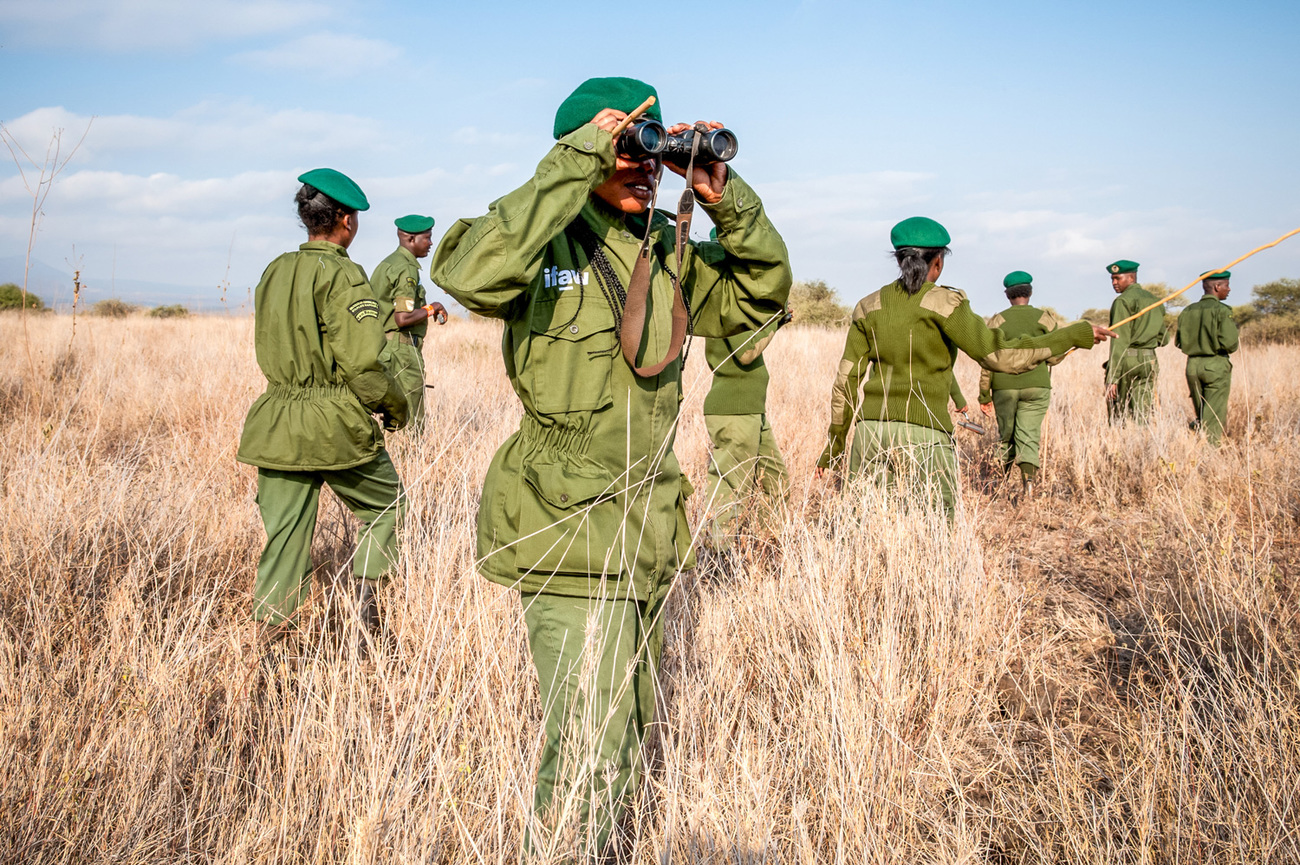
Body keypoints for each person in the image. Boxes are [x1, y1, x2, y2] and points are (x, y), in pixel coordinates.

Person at [429, 77, 791, 855]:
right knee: (589, 747)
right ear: (580, 150)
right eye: (626, 146)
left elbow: (762, 292)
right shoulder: (542, 241)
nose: (641, 163)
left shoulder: (670, 246)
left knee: (624, 738)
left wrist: (727, 198)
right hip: (564, 519)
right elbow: (464, 272)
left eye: (651, 148)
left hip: (648, 522)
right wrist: (577, 158)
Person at [815, 217, 1113, 520]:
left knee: (865, 525)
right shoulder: (947, 303)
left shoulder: (868, 306)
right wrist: (1073, 334)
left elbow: (845, 381)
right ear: (938, 262)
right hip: (926, 435)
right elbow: (999, 356)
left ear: (899, 259)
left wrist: (835, 445)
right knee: (936, 528)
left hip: (870, 434)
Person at [236, 168, 408, 645]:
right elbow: (364, 364)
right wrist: (395, 407)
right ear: (344, 220)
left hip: (276, 421)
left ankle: (272, 650)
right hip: (331, 421)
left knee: (285, 538)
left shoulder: (275, 270)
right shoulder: (343, 274)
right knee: (386, 505)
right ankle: (367, 625)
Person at [701, 286, 791, 548]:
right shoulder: (724, 302)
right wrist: (775, 319)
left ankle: (767, 549)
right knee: (732, 489)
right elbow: (747, 352)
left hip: (751, 410)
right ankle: (718, 561)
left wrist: (777, 321)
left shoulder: (732, 302)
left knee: (775, 479)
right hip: (735, 409)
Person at [976, 270, 1067, 497]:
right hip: (1037, 386)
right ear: (1030, 292)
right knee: (1028, 434)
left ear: (1007, 295)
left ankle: (999, 485)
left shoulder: (998, 320)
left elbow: (988, 359)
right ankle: (1028, 486)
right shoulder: (1044, 318)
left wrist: (984, 394)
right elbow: (1056, 354)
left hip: (1004, 386)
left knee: (1006, 435)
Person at [370, 214, 447, 430]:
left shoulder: (387, 264)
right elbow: (402, 318)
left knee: (389, 416)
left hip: (383, 348)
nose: (431, 243)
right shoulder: (406, 268)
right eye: (428, 238)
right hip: (401, 352)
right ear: (411, 239)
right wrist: (432, 307)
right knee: (411, 422)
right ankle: (409, 461)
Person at [1176, 269, 1239, 445]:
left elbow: (1179, 342)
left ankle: (1195, 443)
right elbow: (1231, 344)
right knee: (1213, 418)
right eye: (1226, 285)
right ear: (1217, 286)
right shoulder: (1222, 310)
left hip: (1192, 366)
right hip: (1215, 364)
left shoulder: (1188, 310)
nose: (1229, 289)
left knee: (1202, 414)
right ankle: (1209, 456)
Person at [1103, 259, 1169, 423]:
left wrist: (1112, 377)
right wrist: (1147, 339)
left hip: (1128, 359)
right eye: (1112, 279)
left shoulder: (1123, 301)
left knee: (1120, 411)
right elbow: (1164, 338)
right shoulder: (1155, 300)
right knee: (1143, 411)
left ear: (1131, 278)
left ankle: (1121, 444)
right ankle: (1142, 440)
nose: (1114, 283)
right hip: (1149, 360)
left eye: (1118, 278)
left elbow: (1119, 340)